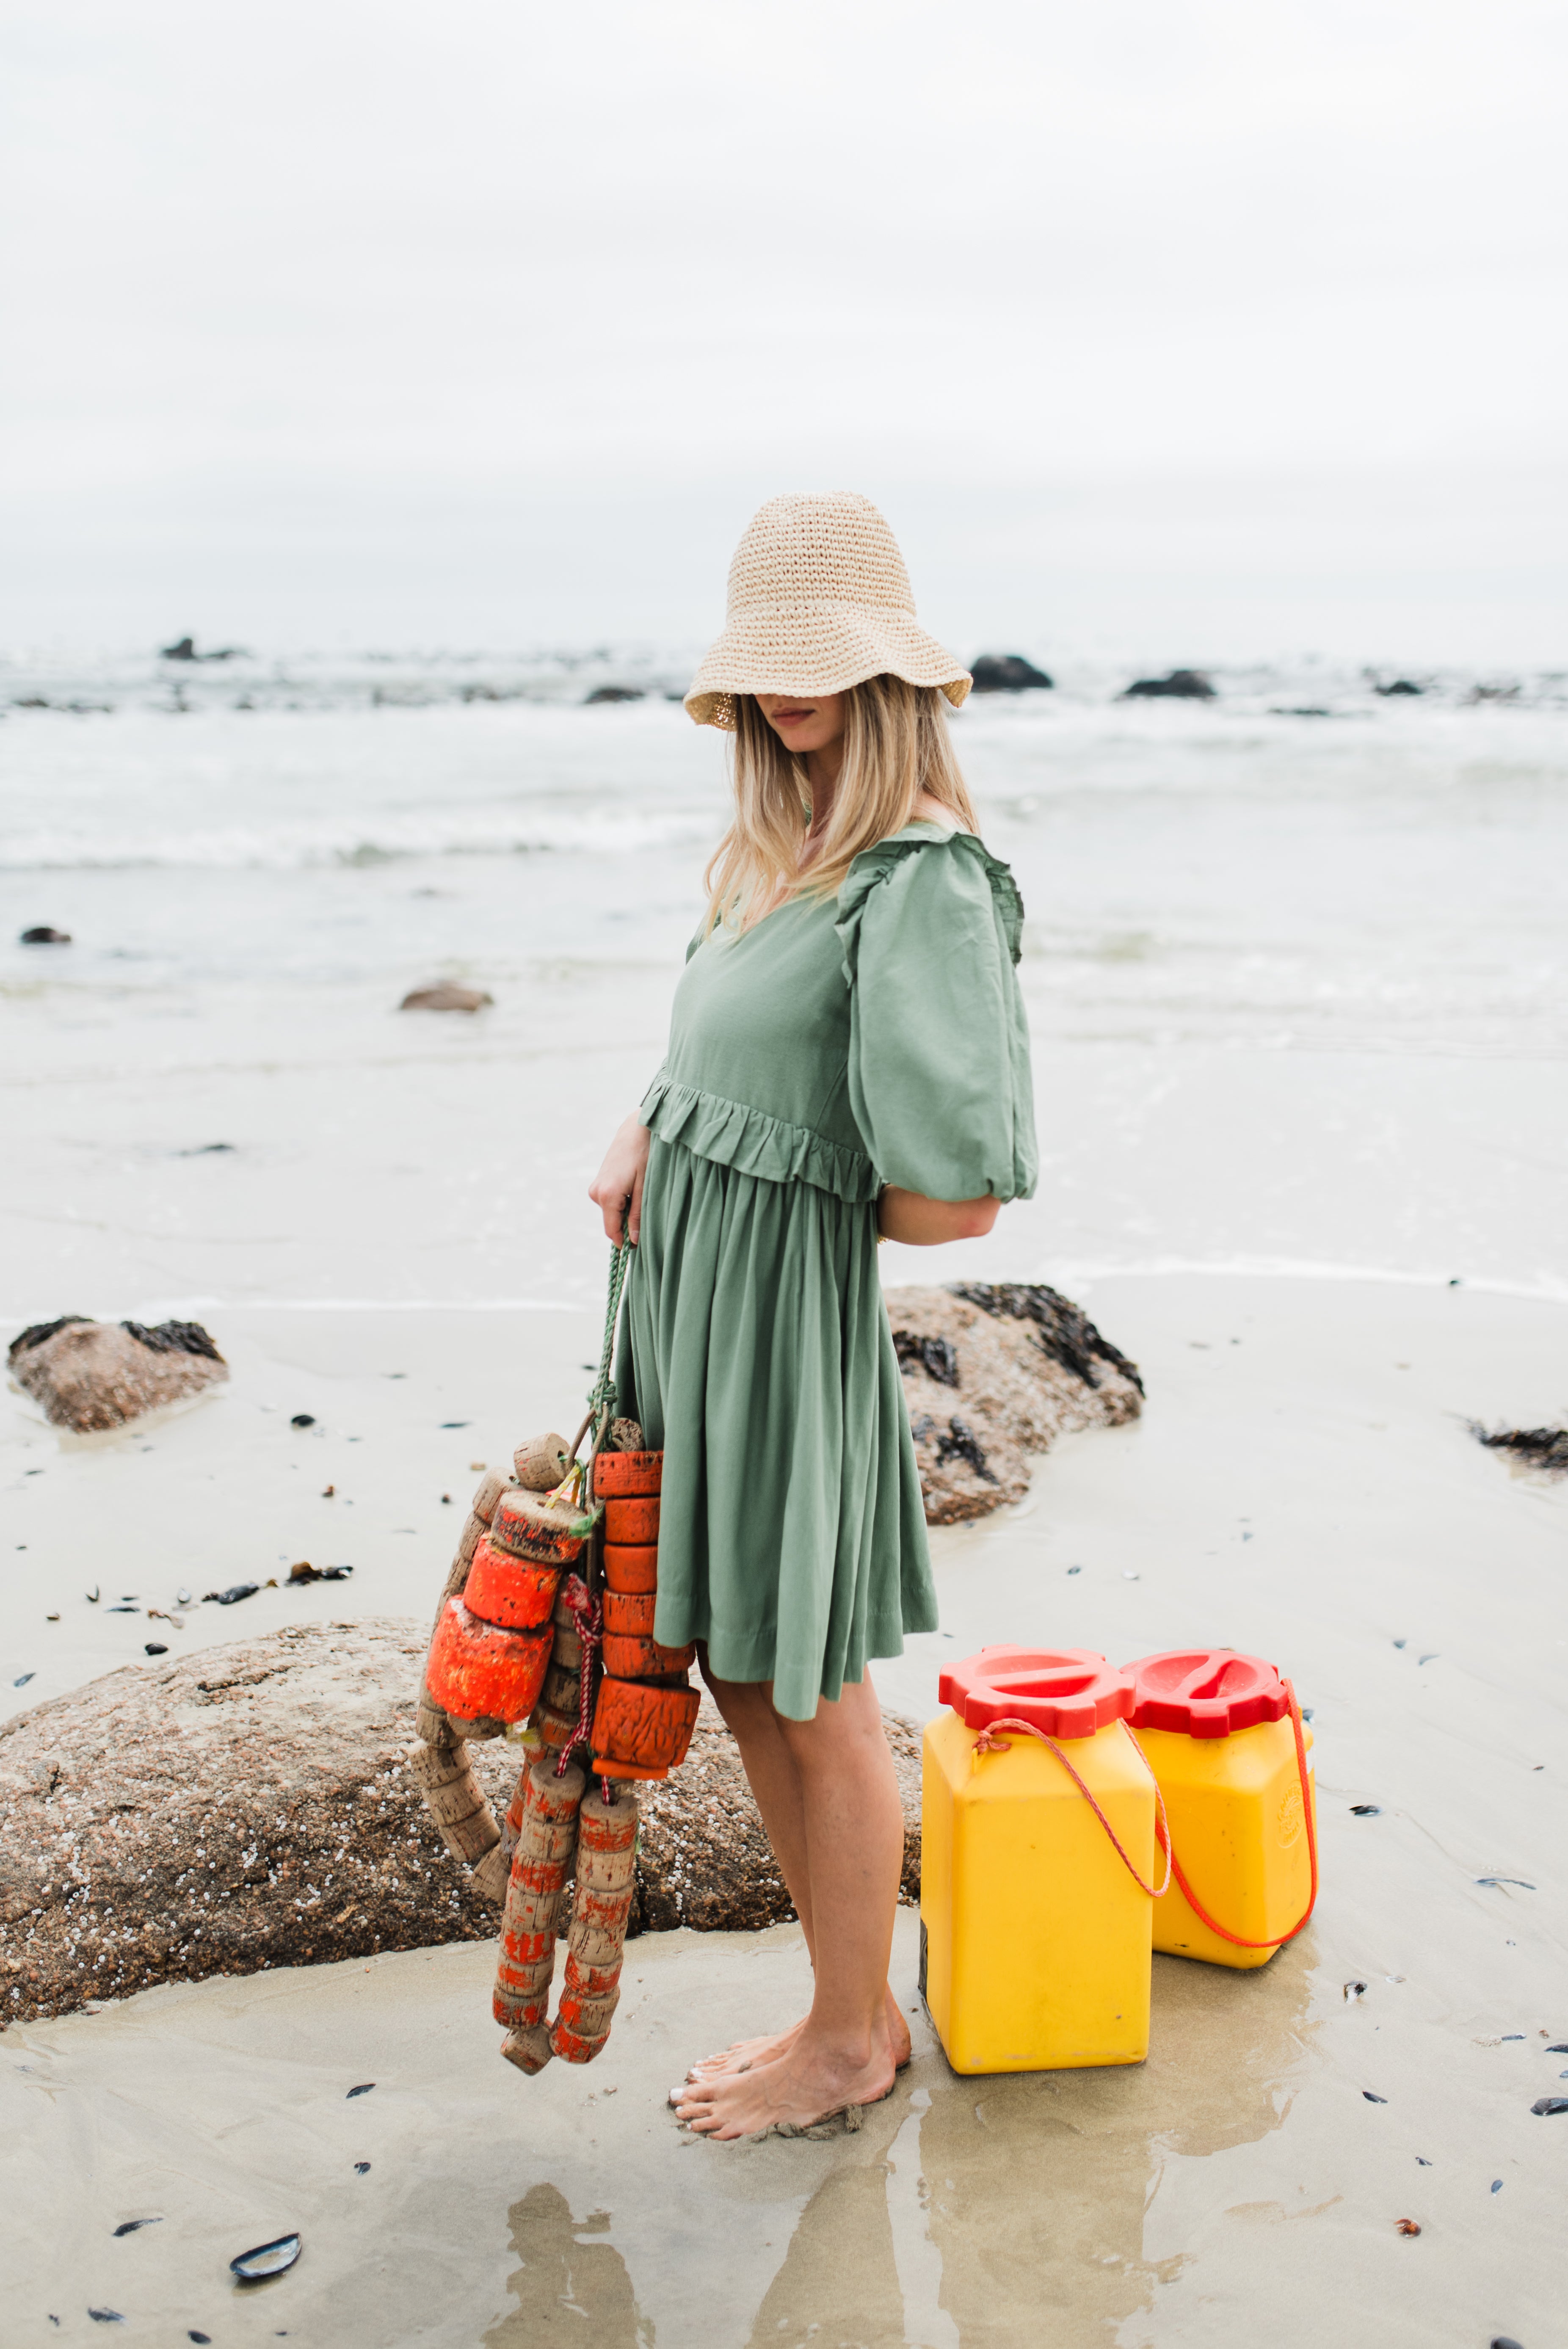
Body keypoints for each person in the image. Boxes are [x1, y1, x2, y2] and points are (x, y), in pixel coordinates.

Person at [589, 492, 1036, 2139]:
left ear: (883, 678)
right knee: (731, 1661)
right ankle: (836, 2002)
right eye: (767, 669)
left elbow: (956, 1194)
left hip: (775, 1317)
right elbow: (721, 1048)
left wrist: (788, 1195)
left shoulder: (914, 876)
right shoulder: (773, 856)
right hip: (688, 1303)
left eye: (817, 669)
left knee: (809, 1678)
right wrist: (650, 1118)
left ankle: (850, 2038)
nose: (786, 698)